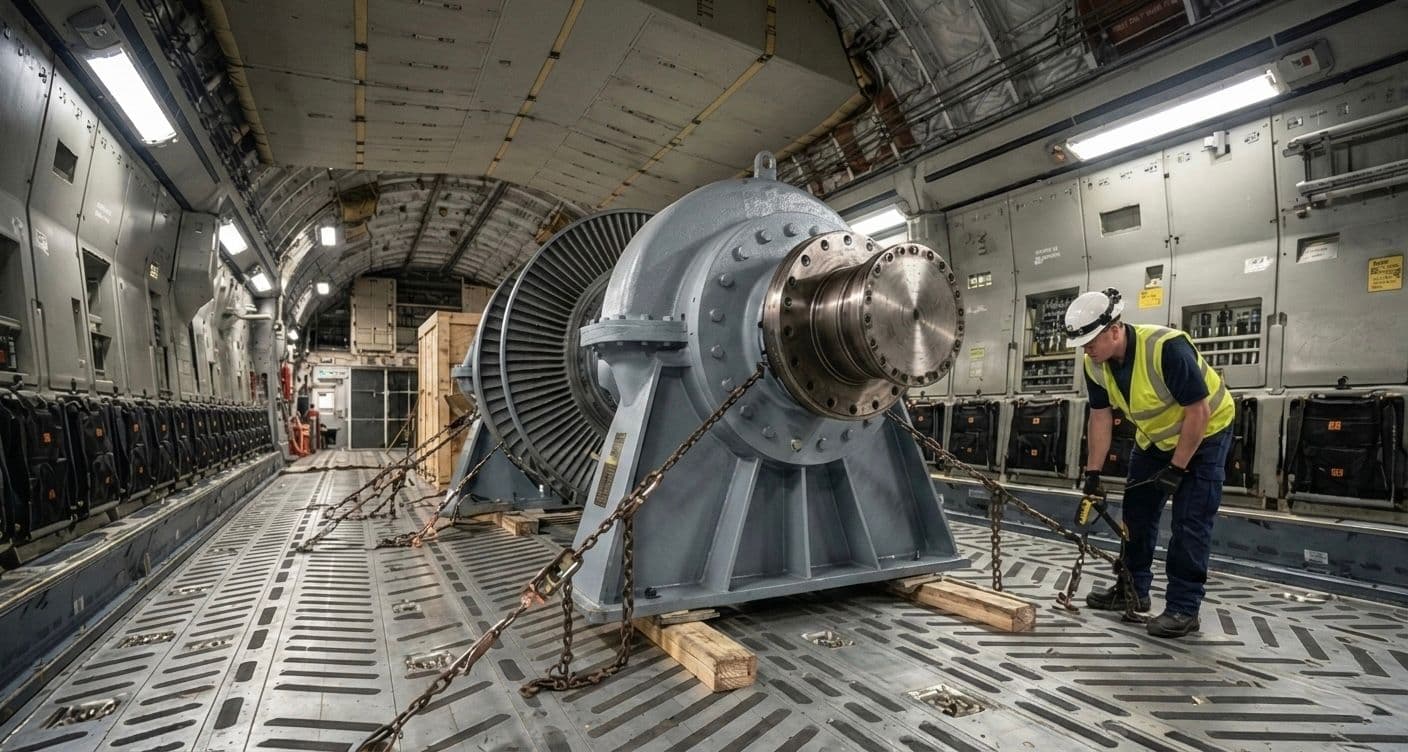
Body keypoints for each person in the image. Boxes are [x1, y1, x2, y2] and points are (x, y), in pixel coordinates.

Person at [1064, 288, 1234, 638]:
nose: (1087, 350)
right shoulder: (1094, 363)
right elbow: (1100, 417)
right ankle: (1133, 590)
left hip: (1205, 435)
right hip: (1156, 441)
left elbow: (1197, 411)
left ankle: (1184, 608)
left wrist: (1178, 467)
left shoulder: (1166, 347)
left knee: (1190, 522)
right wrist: (1093, 473)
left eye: (1091, 341)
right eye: (1083, 345)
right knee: (1136, 515)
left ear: (1115, 329)